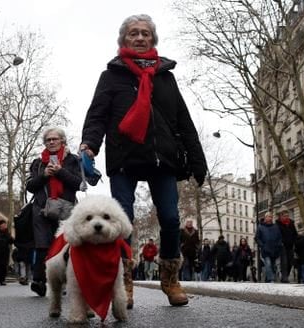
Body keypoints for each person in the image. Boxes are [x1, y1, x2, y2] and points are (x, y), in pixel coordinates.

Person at [80, 14, 207, 307]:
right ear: (124, 40)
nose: (139, 38)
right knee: (123, 221)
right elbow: (97, 115)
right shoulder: (110, 76)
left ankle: (171, 279)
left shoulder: (166, 77)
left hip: (162, 157)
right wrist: (89, 145)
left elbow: (184, 121)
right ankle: (124, 283)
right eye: (133, 33)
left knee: (172, 219)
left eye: (145, 34)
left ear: (153, 40)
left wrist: (197, 160)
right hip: (124, 155)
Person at [26, 127, 82, 297]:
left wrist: (60, 172)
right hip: (42, 208)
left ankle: (62, 281)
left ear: (62, 141)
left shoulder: (73, 160)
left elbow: (78, 183)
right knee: (42, 245)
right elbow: (30, 186)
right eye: (48, 140)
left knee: (64, 246)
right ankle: (39, 281)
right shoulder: (38, 162)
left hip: (66, 208)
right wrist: (44, 175)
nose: (51, 142)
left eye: (54, 139)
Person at [255, 212, 283, 283]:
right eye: (268, 216)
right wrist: (262, 245)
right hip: (265, 250)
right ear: (265, 218)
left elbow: (279, 237)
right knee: (268, 264)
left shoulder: (275, 227)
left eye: (271, 216)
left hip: (274, 249)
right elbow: (257, 238)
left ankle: (268, 279)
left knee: (273, 265)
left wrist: (279, 245)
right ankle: (271, 279)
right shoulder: (260, 227)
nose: (270, 218)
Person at [276, 206, 298, 283]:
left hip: (290, 245)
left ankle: (285, 275)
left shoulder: (291, 223)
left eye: (287, 216)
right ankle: (285, 277)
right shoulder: (278, 224)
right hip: (282, 245)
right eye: (285, 216)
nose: (286, 217)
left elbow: (295, 234)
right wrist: (280, 242)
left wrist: (294, 241)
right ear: (281, 216)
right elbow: (277, 235)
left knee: (290, 262)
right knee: (284, 262)